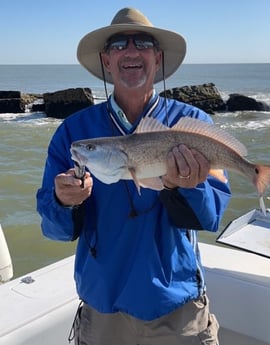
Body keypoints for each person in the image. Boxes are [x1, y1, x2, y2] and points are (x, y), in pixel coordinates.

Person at [36, 7, 231, 345]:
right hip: (103, 308)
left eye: (142, 42)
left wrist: (187, 187)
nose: (130, 50)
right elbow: (55, 229)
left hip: (178, 307)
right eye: (117, 45)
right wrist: (62, 200)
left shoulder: (194, 126)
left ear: (157, 58)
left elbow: (211, 216)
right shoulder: (74, 133)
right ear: (106, 61)